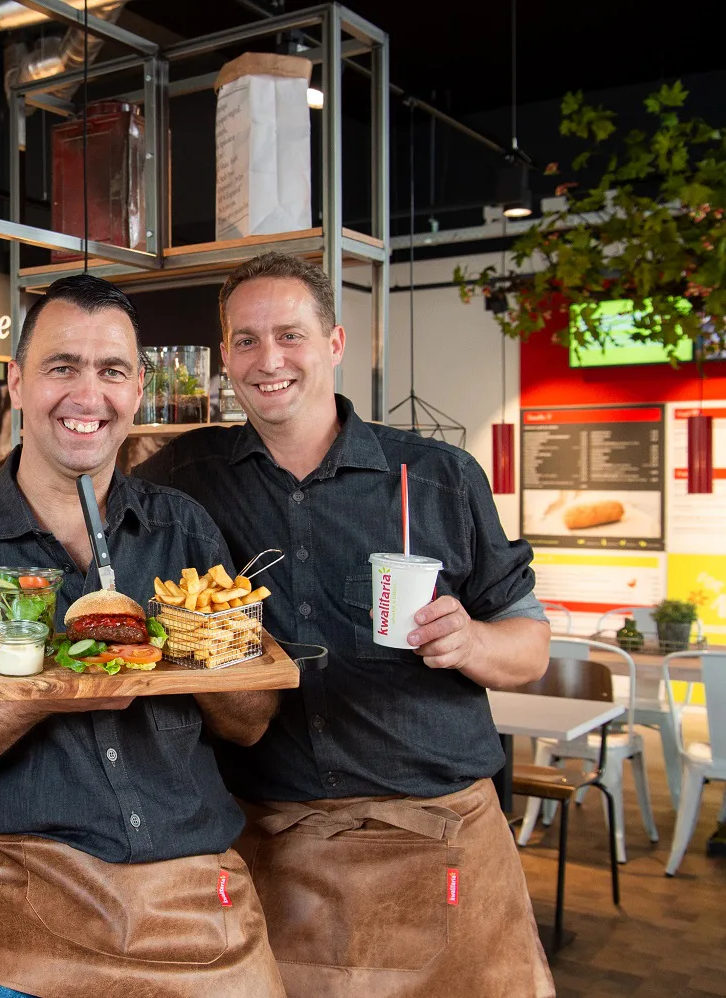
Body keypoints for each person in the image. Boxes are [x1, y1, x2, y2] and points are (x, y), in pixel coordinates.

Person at [134, 252, 555, 998]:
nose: (269, 361)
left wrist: (473, 641)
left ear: (335, 343)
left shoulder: (436, 477)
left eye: (290, 335)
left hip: (438, 837)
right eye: (246, 340)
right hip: (271, 839)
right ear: (225, 356)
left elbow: (529, 648)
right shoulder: (180, 479)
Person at [0, 274, 286, 998]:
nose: (87, 395)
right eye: (62, 366)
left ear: (136, 388)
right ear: (18, 383)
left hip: (189, 886)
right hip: (14, 886)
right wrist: (37, 695)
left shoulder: (184, 531)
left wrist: (190, 646)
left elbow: (252, 726)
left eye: (111, 370)